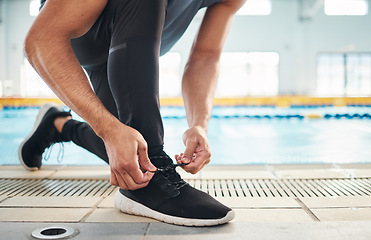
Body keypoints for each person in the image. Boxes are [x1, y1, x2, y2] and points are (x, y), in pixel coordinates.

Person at [19, 0, 245, 226]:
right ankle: (151, 177)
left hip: (126, 46)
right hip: (83, 35)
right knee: (128, 148)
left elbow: (206, 57)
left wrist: (199, 125)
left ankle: (59, 125)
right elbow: (41, 41)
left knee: (130, 159)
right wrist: (107, 128)